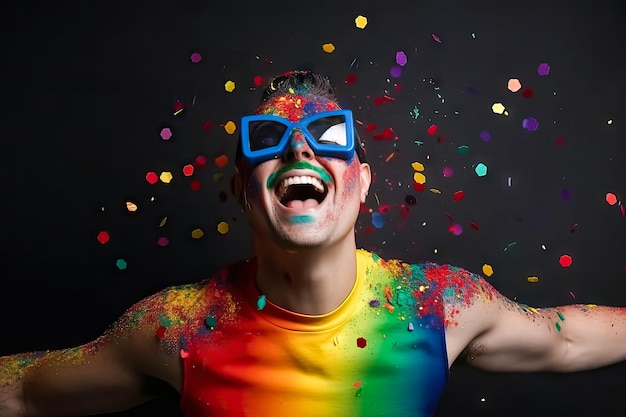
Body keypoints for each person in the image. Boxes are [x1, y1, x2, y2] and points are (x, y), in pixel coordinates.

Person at [1, 70, 626, 417]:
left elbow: (563, 337)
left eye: (327, 135)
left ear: (361, 183)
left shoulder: (437, 305)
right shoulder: (178, 327)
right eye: (269, 138)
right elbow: (28, 390)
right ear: (243, 191)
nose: (299, 148)